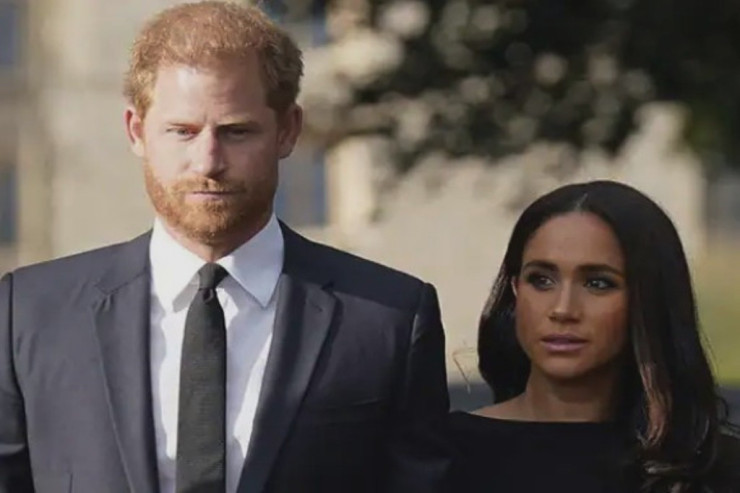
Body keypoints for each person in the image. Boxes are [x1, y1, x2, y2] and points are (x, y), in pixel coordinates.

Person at [0, 2, 451, 492]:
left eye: (237, 132)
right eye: (182, 132)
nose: (208, 161)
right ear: (136, 130)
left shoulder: (389, 318)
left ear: (288, 130)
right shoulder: (30, 313)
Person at [448, 181, 740, 492]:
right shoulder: (443, 457)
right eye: (542, 280)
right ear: (516, 289)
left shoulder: (712, 468)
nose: (562, 309)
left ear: (649, 299)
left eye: (598, 283)